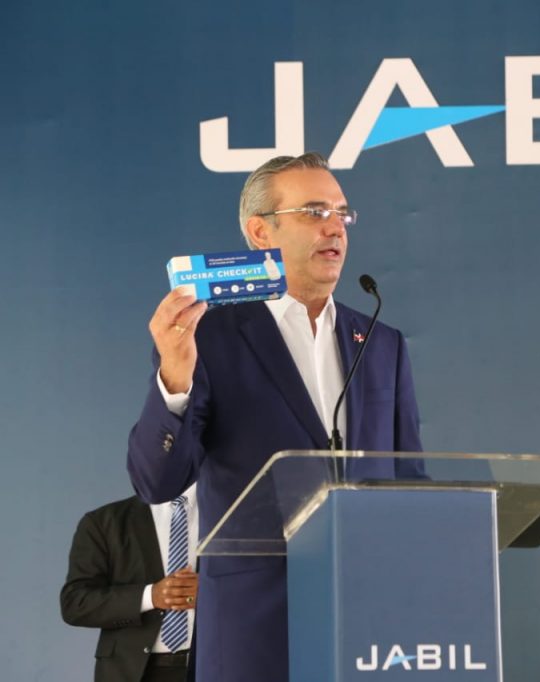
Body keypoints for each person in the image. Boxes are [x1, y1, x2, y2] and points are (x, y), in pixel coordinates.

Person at [126, 152, 425, 682]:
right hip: (255, 625)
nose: (335, 227)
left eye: (342, 213)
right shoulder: (208, 338)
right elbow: (158, 481)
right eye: (314, 212)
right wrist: (174, 377)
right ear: (261, 232)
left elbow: (409, 481)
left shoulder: (382, 342)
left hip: (369, 620)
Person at [60, 484, 198, 682]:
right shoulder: (104, 521)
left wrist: (215, 593)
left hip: (217, 667)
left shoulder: (233, 519)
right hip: (129, 672)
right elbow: (76, 603)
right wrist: (151, 596)